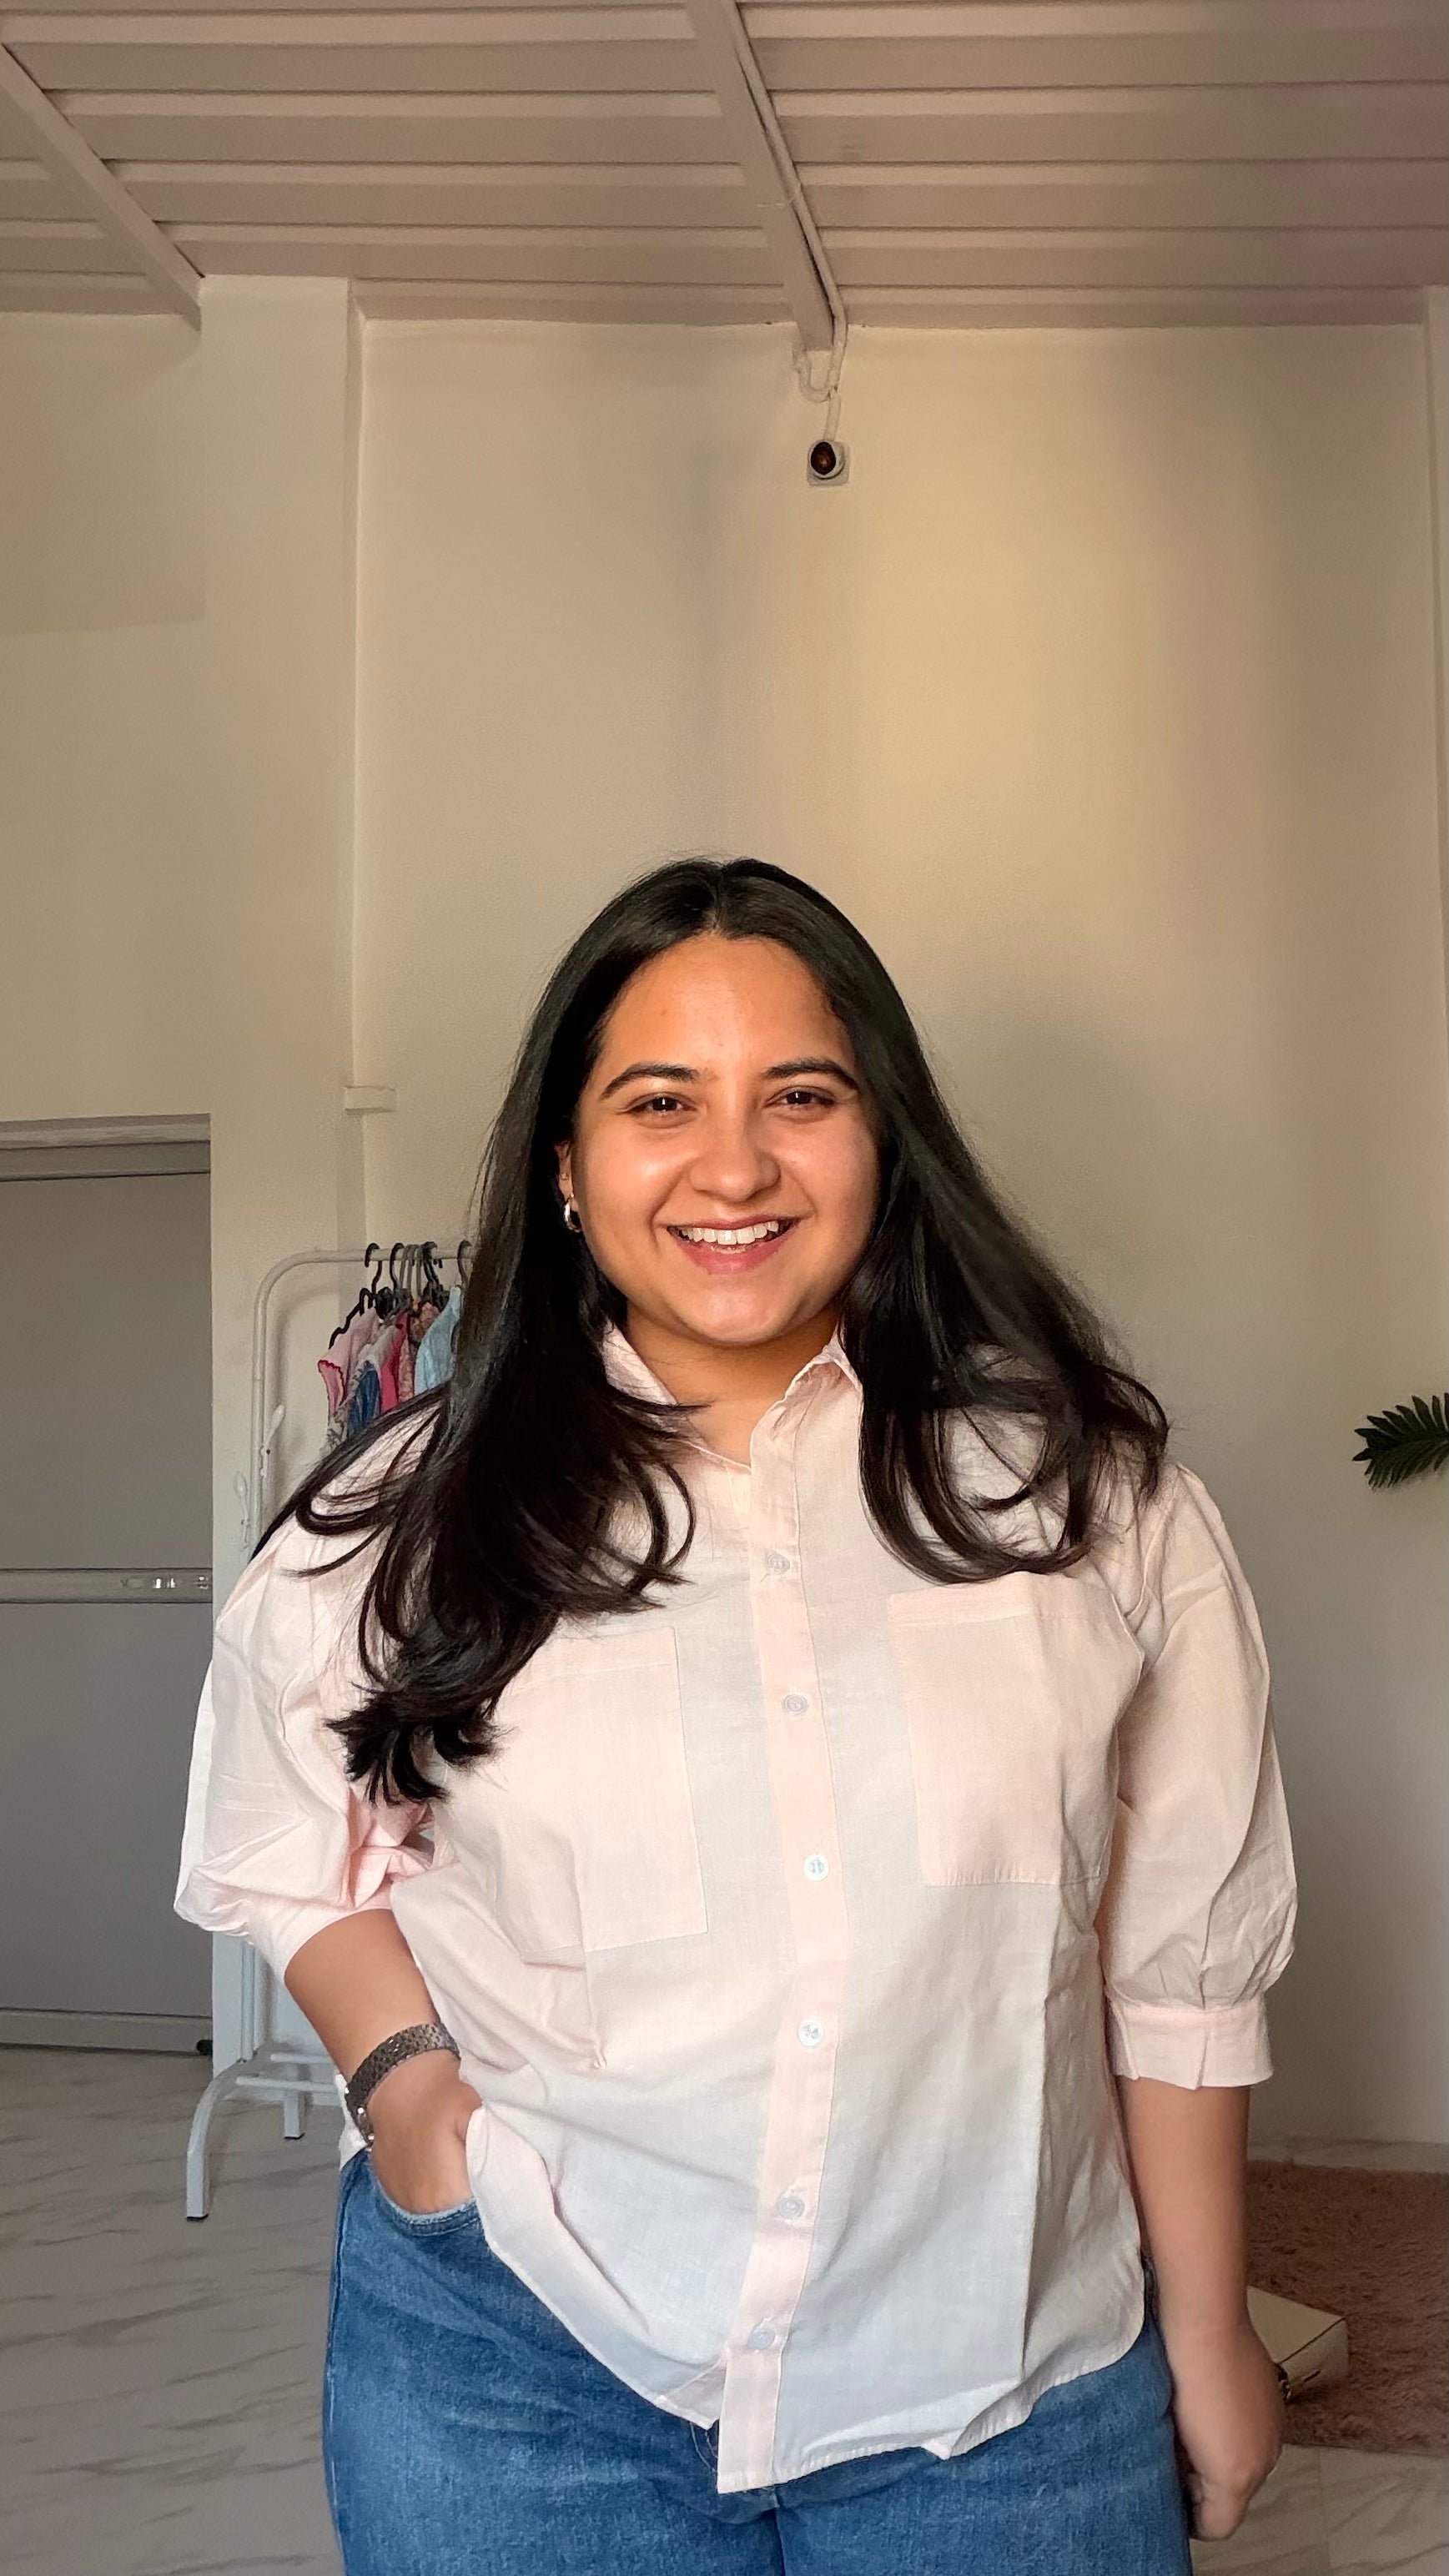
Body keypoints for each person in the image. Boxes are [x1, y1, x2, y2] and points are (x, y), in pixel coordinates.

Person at [176, 855, 1298, 2576]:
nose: (733, 1163)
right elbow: (282, 1844)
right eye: (658, 1101)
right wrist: (406, 2086)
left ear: (884, 1140)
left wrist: (1207, 2325)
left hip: (1001, 2391)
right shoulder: (397, 1520)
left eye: (800, 1094)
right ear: (564, 1166)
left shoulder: (1095, 1505)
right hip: (518, 2366)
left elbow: (1181, 1961)